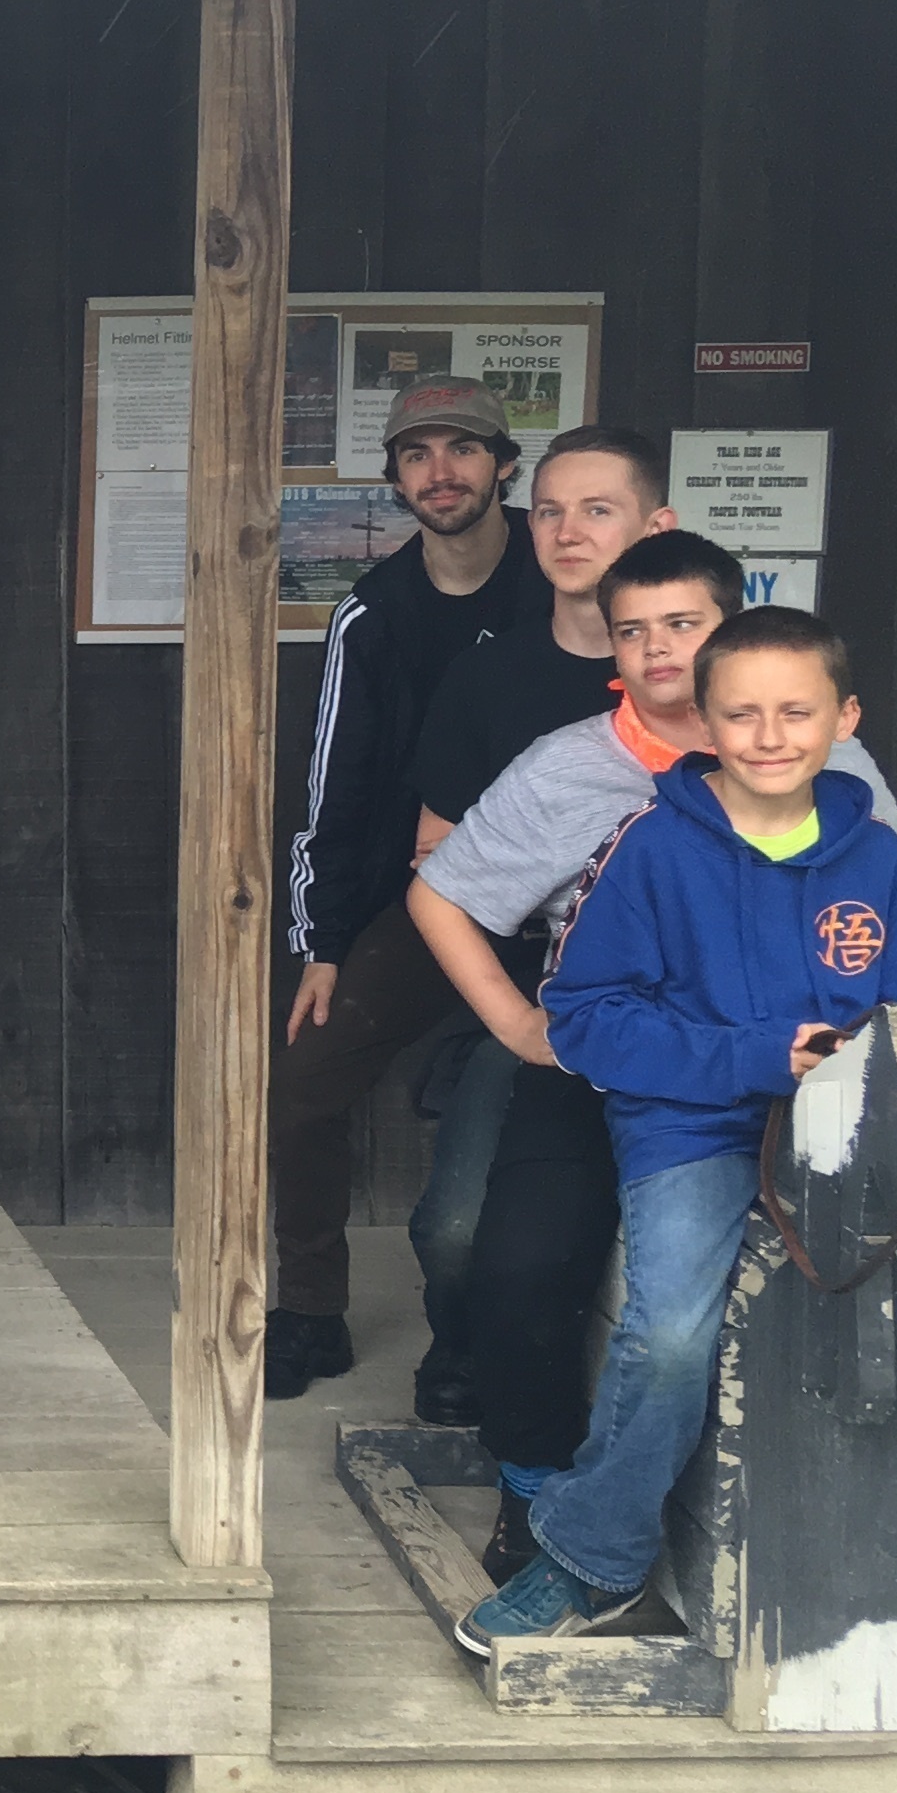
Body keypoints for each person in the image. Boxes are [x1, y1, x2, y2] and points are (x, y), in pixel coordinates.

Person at [458, 604, 897, 1652]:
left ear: (843, 719)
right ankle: (592, 1558)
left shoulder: (875, 856)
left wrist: (874, 1085)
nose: (769, 736)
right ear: (705, 722)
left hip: (856, 1131)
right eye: (742, 714)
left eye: (796, 712)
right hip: (692, 1130)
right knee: (670, 1337)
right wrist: (759, 1055)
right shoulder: (649, 849)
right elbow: (584, 1020)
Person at [405, 530, 897, 1574]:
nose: (658, 650)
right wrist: (520, 1026)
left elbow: (895, 885)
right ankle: (534, 1482)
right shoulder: (572, 766)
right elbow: (439, 892)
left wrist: (883, 1036)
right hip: (608, 1044)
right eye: (632, 631)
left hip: (783, 1057)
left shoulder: (821, 750)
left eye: (683, 625)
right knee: (514, 1255)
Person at [388, 424, 679, 1423]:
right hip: (532, 988)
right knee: (458, 1232)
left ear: (656, 527)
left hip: (700, 1012)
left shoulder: (736, 692)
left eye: (597, 510)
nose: (568, 531)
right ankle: (467, 1347)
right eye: (549, 511)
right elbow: (436, 862)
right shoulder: (495, 679)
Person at [265, 373, 548, 1398]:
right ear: (394, 478)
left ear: (504, 465)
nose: (442, 472)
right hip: (430, 901)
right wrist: (324, 945)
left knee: (531, 1122)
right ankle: (310, 1311)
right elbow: (332, 789)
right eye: (418, 454)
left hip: (576, 902)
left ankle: (474, 1329)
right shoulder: (373, 614)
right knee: (304, 1078)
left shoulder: (562, 585)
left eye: (463, 449)